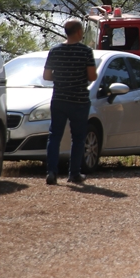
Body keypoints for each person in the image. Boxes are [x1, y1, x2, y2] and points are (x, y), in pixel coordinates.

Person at [43, 18, 98, 185]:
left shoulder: (55, 50)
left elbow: (46, 76)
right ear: (79, 32)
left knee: (54, 136)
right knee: (78, 138)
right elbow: (92, 76)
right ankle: (74, 173)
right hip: (79, 100)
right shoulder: (86, 51)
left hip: (59, 99)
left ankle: (51, 172)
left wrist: (60, 78)